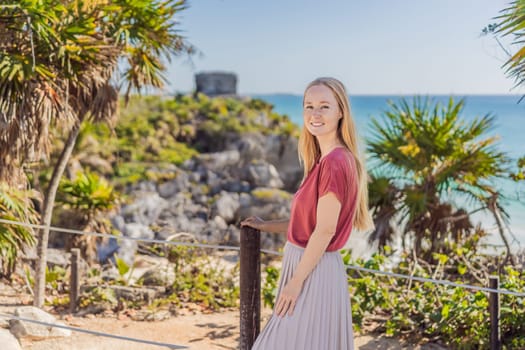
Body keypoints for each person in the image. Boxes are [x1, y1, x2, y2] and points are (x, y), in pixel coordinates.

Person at [241, 77, 374, 350]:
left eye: (324, 106)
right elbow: (312, 224)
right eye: (309, 106)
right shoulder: (328, 160)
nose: (315, 114)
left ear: (341, 112)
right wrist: (266, 226)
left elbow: (325, 231)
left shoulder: (335, 163)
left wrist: (295, 282)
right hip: (314, 265)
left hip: (312, 271)